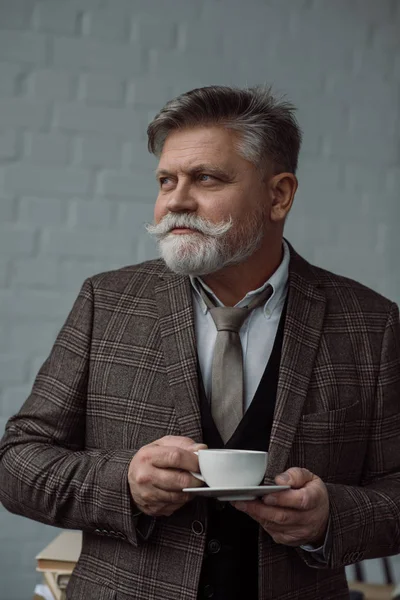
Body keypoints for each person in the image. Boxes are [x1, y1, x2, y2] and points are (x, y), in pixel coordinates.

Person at [0, 85, 399, 600]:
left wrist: (330, 519)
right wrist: (123, 482)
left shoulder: (371, 323)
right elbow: (17, 464)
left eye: (206, 178)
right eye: (167, 180)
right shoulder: (108, 301)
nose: (176, 202)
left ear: (279, 195)